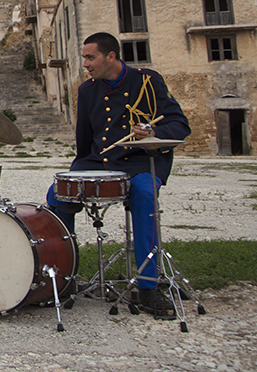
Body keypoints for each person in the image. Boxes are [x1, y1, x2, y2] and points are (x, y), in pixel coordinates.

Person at [46, 31, 190, 315]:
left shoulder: (148, 81)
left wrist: (152, 132)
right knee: (57, 194)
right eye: (84, 57)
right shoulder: (87, 91)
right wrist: (77, 173)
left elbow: (179, 124)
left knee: (145, 195)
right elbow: (84, 140)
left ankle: (148, 288)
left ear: (110, 56)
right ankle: (64, 279)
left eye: (91, 57)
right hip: (100, 161)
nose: (85, 64)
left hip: (139, 162)